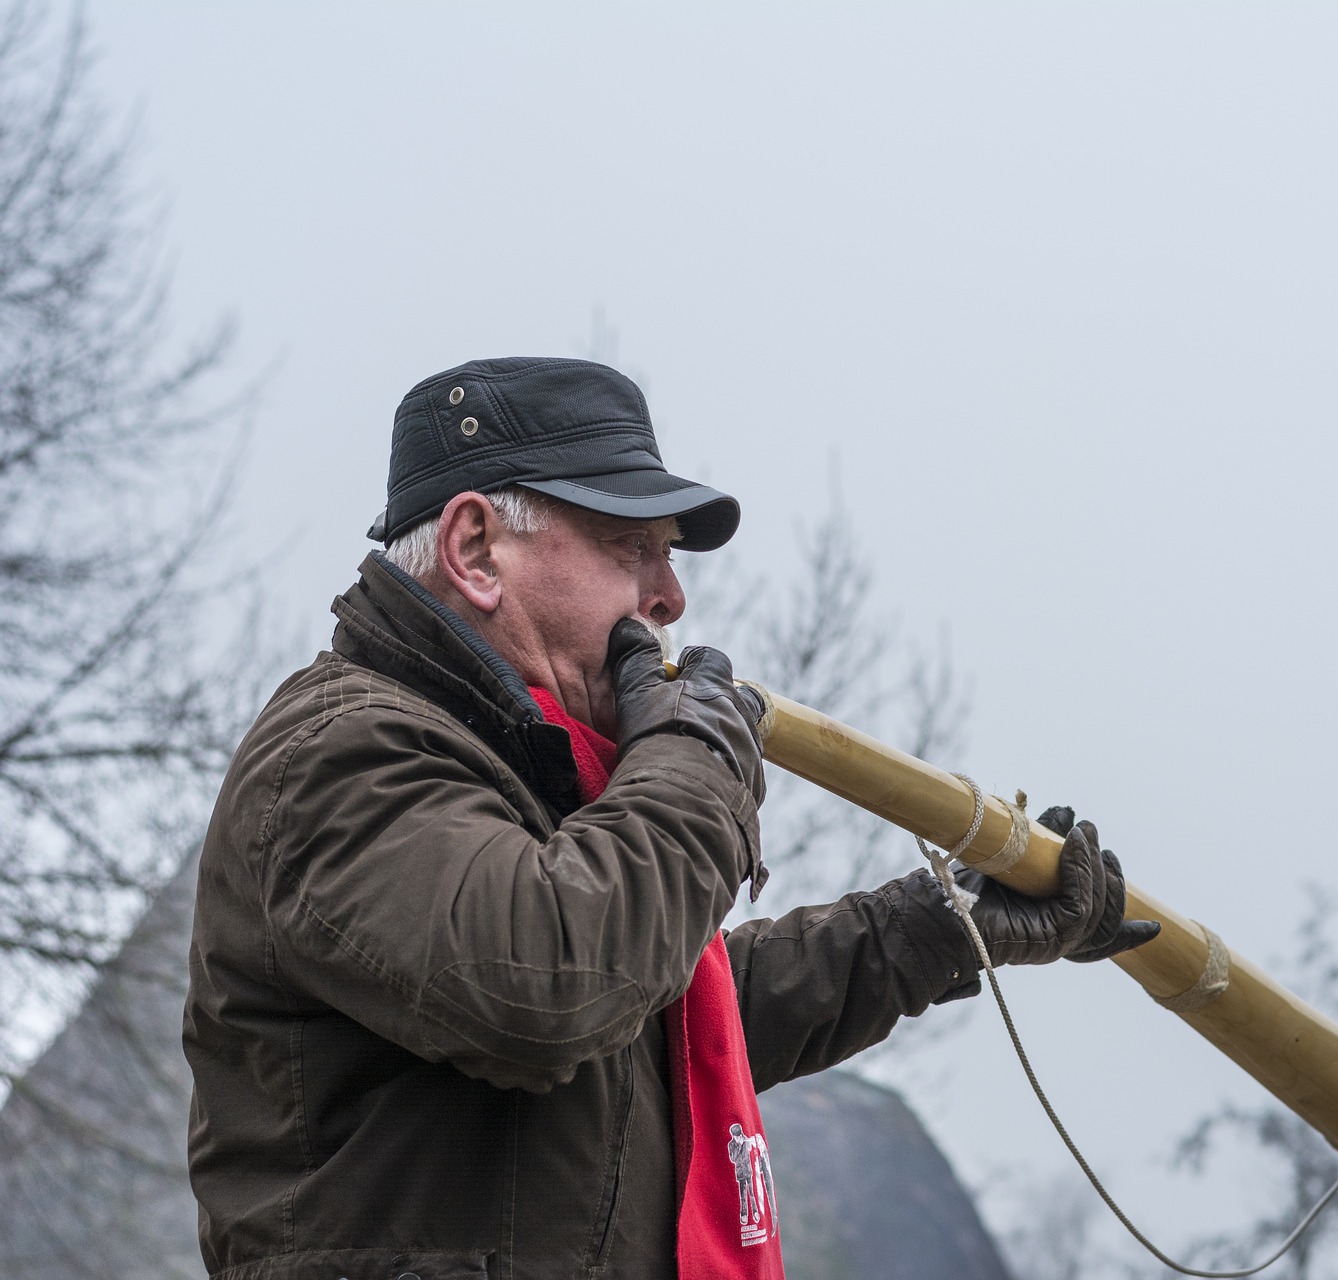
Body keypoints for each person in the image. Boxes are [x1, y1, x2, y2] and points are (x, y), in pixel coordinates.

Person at [182, 357, 1159, 1280]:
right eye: (630, 547)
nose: (670, 596)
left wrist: (932, 930)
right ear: (476, 549)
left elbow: (660, 1018)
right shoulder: (340, 750)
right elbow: (551, 982)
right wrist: (696, 756)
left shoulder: (531, 764)